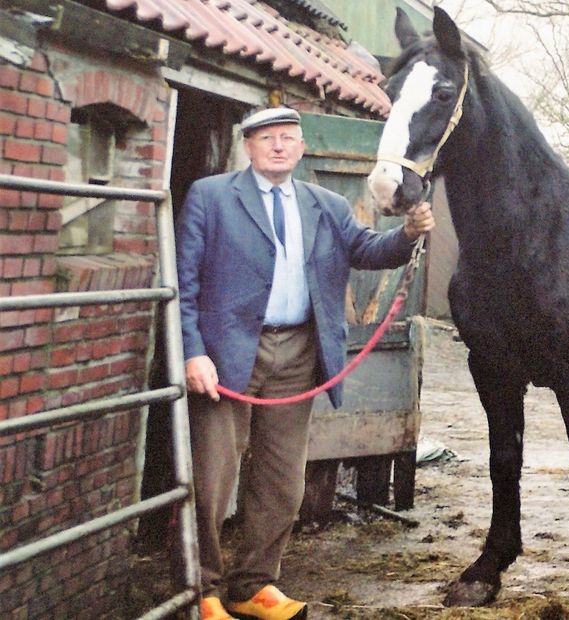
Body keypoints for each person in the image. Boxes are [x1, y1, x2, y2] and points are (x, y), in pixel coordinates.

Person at [175, 107, 435, 620]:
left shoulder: (327, 204)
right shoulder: (210, 197)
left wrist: (407, 234)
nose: (278, 146)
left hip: (297, 352)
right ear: (248, 146)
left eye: (288, 138)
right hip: (225, 355)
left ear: (300, 147)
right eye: (267, 138)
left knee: (281, 479)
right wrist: (192, 351)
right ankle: (200, 591)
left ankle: (253, 586)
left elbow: (368, 250)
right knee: (211, 478)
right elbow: (184, 284)